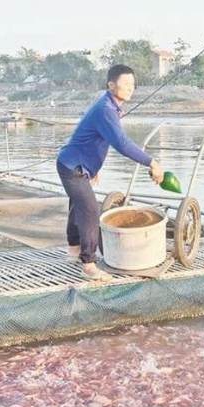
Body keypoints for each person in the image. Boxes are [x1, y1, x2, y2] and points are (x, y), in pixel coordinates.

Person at [57, 64, 165, 281]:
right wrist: (151, 162)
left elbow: (95, 139)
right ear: (111, 84)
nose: (130, 88)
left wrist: (93, 168)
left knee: (78, 204)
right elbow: (121, 143)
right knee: (89, 211)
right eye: (125, 84)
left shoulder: (109, 105)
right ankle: (88, 265)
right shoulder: (106, 109)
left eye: (133, 85)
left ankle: (74, 249)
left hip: (74, 163)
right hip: (73, 166)